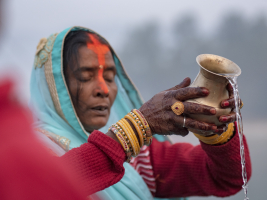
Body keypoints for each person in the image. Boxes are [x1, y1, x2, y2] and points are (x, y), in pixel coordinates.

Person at [30, 26, 251, 200]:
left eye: (109, 78)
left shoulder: (137, 160)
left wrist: (215, 127)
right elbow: (43, 188)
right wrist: (138, 126)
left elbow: (228, 178)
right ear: (53, 89)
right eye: (86, 77)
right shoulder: (29, 151)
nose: (103, 90)